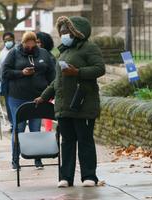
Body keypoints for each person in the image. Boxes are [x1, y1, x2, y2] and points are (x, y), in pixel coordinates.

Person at [35, 16, 105, 188]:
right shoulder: (64, 51)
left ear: (77, 32)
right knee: (66, 142)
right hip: (64, 105)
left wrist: (78, 72)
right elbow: (57, 81)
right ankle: (65, 177)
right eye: (62, 31)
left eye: (67, 31)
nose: (64, 34)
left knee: (85, 140)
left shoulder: (89, 48)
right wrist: (44, 96)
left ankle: (89, 176)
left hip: (83, 103)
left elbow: (100, 68)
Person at [2, 31, 56, 170]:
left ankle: (37, 158)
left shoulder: (43, 53)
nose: (31, 48)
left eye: (33, 46)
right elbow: (6, 72)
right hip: (17, 97)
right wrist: (21, 73)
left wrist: (51, 91)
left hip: (37, 97)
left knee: (35, 128)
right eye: (28, 46)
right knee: (18, 128)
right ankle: (15, 159)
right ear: (23, 43)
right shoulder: (14, 53)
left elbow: (51, 74)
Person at [0, 32, 16, 131]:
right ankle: (12, 124)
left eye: (10, 40)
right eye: (6, 40)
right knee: (8, 104)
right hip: (6, 82)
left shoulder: (18, 50)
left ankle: (17, 123)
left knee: (16, 103)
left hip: (16, 81)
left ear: (13, 39)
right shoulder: (2, 52)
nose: (8, 42)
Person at [36, 32, 56, 131]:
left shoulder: (49, 57)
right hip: (38, 90)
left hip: (47, 90)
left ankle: (48, 131)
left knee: (46, 114)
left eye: (39, 42)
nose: (36, 45)